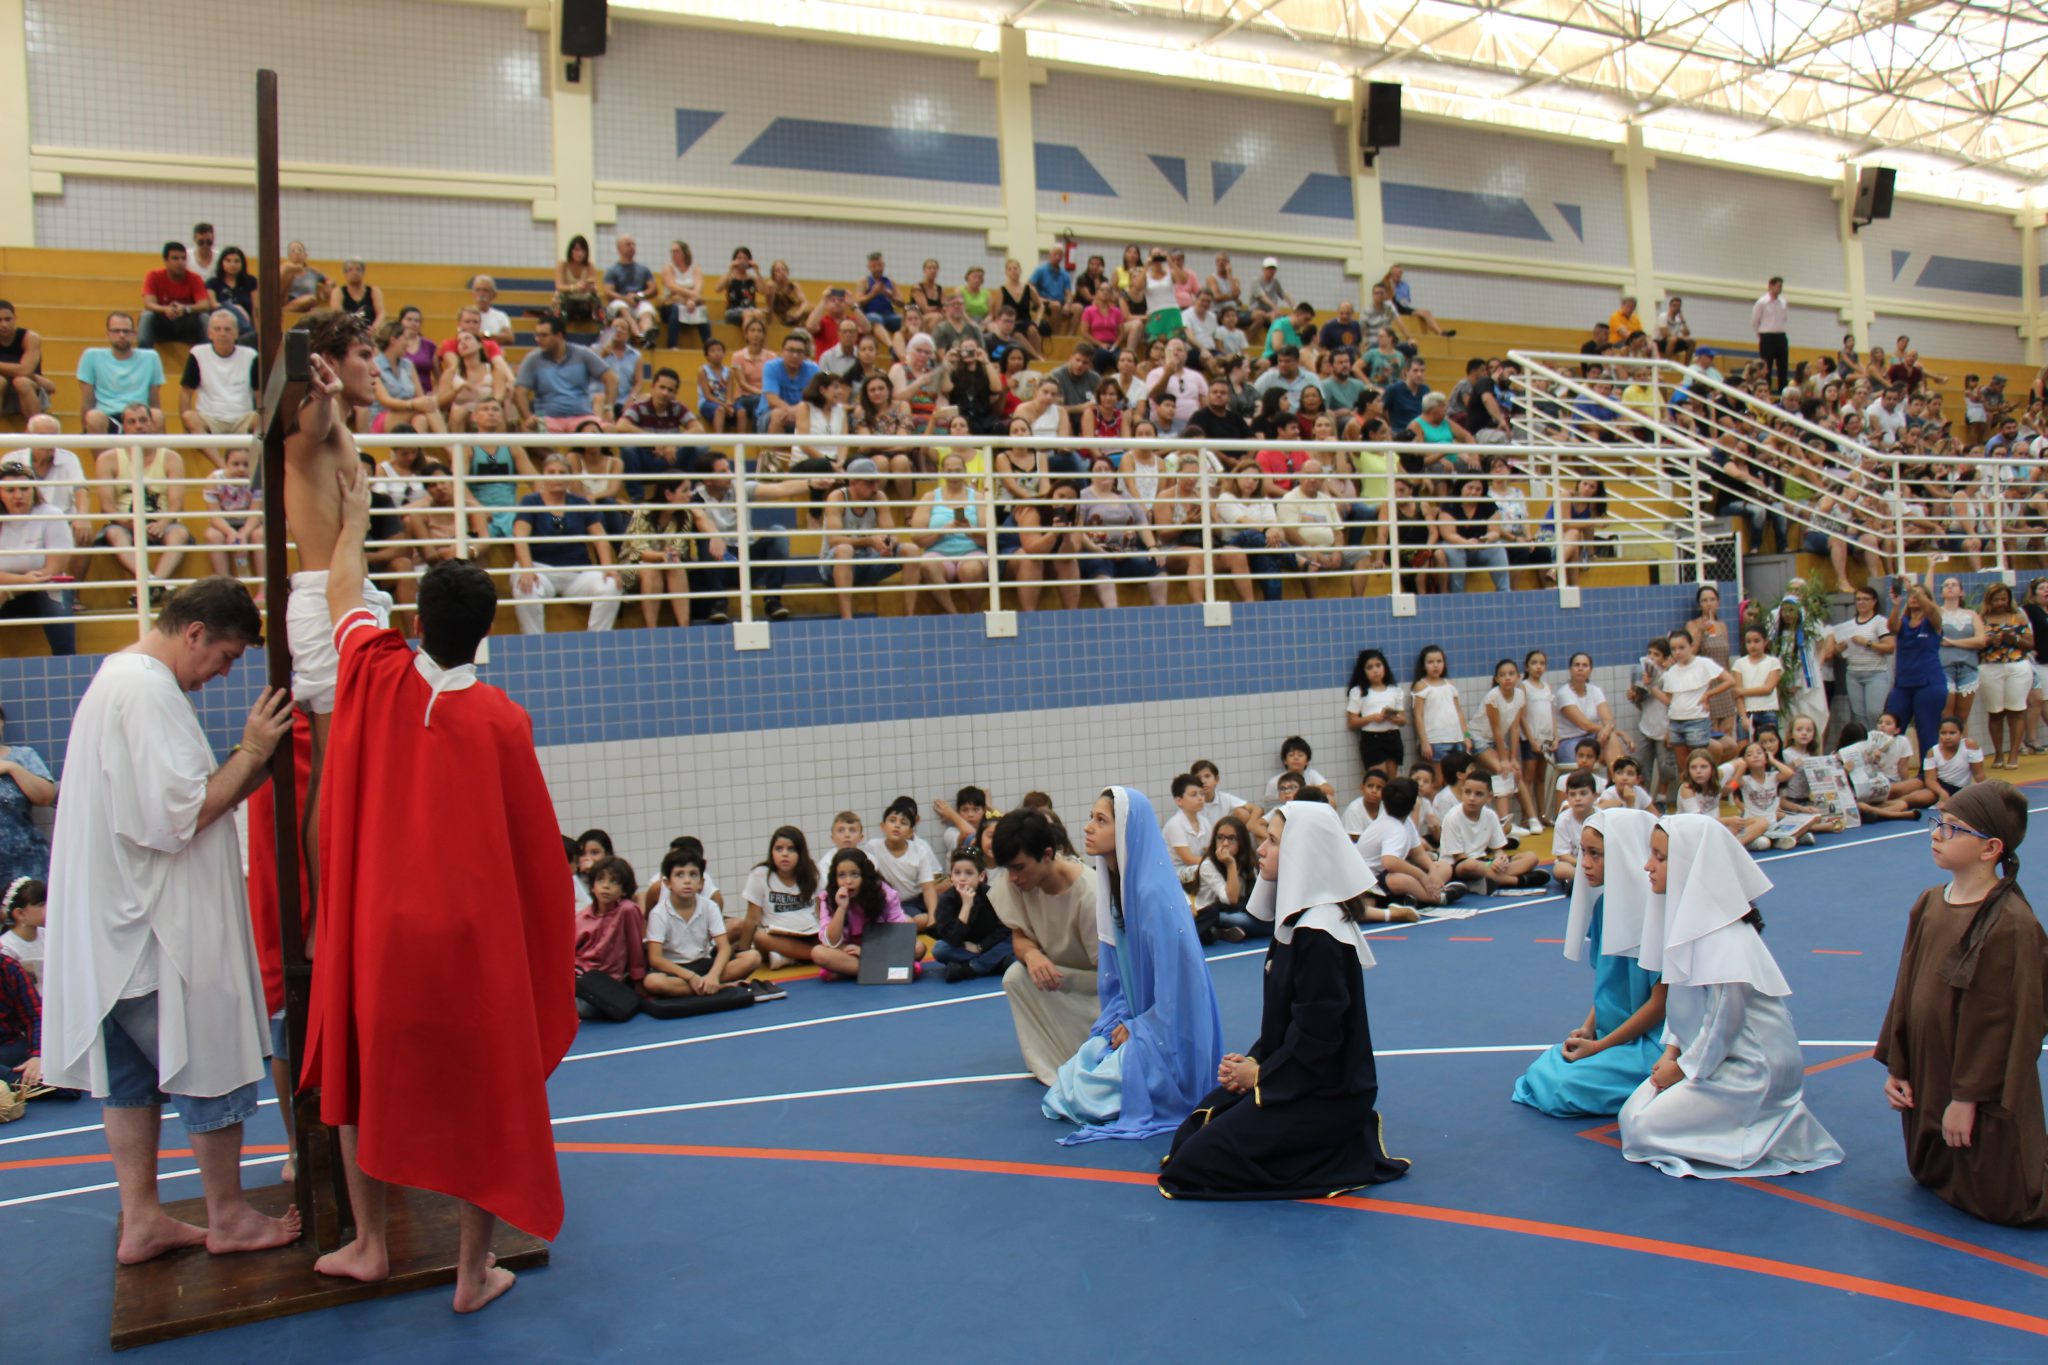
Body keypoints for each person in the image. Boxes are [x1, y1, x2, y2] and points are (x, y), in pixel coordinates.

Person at [303, 467, 576, 1310]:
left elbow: (342, 588)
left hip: (382, 933)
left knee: (356, 1072)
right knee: (483, 1094)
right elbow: (537, 856)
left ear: (415, 621)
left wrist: (355, 516)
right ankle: (470, 1271)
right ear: (487, 633)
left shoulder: (374, 669)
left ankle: (370, 1243)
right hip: (469, 943)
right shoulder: (503, 720)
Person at [40, 578, 301, 1264]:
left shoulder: (116, 680)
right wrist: (252, 751)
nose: (223, 674)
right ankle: (229, 1217)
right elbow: (181, 814)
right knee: (210, 1068)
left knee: (133, 1084)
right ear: (194, 633)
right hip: (155, 933)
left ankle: (143, 1219)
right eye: (226, 657)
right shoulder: (148, 691)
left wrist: (252, 763)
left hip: (112, 932)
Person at [1159, 800, 1410, 1199]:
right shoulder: (1298, 921)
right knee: (1193, 1131)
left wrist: (1259, 1077)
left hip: (1324, 1091)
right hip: (1294, 1074)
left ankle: (1340, 1146)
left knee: (1195, 1165)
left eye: (1273, 842)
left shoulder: (1321, 935)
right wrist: (1253, 1061)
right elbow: (1284, 1024)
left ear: (1301, 853)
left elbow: (1318, 1039)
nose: (1260, 849)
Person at [1617, 815, 1844, 1179]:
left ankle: (1766, 1131)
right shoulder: (1688, 922)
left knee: (1642, 1128)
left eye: (1660, 857)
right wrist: (1672, 1053)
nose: (1648, 865)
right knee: (1632, 1114)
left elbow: (1723, 1021)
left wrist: (1682, 1068)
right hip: (1714, 1058)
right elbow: (1683, 1001)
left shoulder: (1724, 939)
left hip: (1751, 1069)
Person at [1875, 781, 2047, 1226]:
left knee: (2010, 1201)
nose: (1936, 833)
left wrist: (1967, 1098)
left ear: (1990, 848)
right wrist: (1899, 1063)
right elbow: (1906, 988)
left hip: (1977, 1083)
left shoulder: (2012, 924)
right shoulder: (1930, 903)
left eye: (1953, 828)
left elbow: (2008, 1023)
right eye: (1938, 823)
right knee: (1931, 1169)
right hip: (1931, 1069)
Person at [285, 312, 396, 915]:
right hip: (326, 602)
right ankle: (325, 919)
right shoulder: (316, 422)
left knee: (360, 768)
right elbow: (312, 422)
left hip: (350, 597)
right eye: (363, 355)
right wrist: (322, 394)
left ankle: (347, 906)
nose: (375, 368)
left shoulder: (345, 431)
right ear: (329, 362)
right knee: (331, 767)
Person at [1042, 788, 1223, 1143]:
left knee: (1081, 1092)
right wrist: (1123, 1019)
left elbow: (1179, 993)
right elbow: (1124, 980)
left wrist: (1141, 1028)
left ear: (1126, 829)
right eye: (1091, 818)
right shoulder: (1117, 889)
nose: (1088, 828)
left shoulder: (1152, 894)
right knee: (1078, 1069)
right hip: (1141, 1022)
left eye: (1101, 820)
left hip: (1168, 1032)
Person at [1514, 809, 1665, 1115]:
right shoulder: (1604, 908)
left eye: (1596, 854)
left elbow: (1658, 1006)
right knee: (1544, 1070)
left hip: (1650, 1042)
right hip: (1611, 1037)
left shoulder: (1656, 915)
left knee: (1561, 1085)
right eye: (1583, 852)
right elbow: (1609, 988)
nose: (1584, 863)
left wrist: (1599, 1047)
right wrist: (1588, 1029)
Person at [990, 809, 1101, 1085]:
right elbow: (1019, 935)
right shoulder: (1018, 883)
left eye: (1019, 867)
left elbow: (1111, 973)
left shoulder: (1090, 893)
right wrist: (1032, 954)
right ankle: (1050, 1059)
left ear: (1047, 854)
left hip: (1096, 987)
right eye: (1007, 869)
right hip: (1055, 979)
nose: (1013, 877)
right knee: (1016, 976)